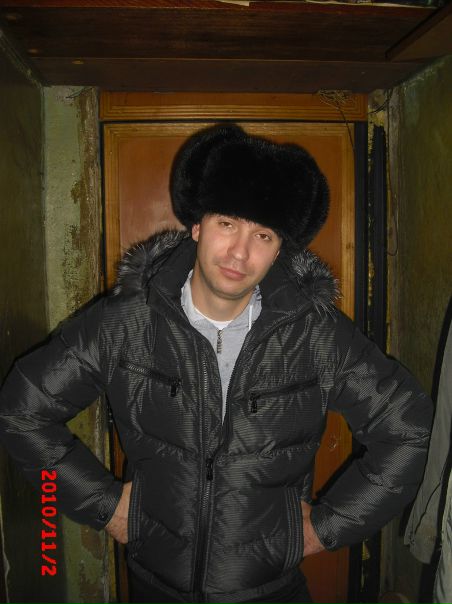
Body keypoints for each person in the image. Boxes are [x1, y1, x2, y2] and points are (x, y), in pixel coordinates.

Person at [0, 124, 432, 604]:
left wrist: (325, 529)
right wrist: (103, 506)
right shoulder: (126, 322)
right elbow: (22, 412)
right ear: (198, 226)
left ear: (279, 250)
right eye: (227, 223)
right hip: (154, 588)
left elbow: (410, 428)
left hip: (271, 592)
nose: (240, 252)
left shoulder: (315, 334)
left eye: (262, 235)